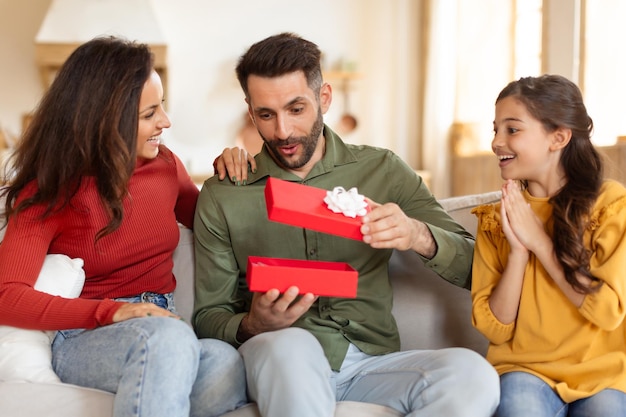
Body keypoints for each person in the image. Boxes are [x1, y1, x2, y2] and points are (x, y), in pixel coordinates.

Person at [194, 32, 500, 417]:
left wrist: (418, 235)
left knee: (472, 373)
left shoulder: (382, 170)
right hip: (279, 355)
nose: (283, 132)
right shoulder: (225, 193)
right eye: (266, 115)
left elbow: (480, 269)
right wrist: (254, 324)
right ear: (250, 111)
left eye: (296, 108)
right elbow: (208, 317)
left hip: (373, 361)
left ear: (324, 98)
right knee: (291, 345)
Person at [0, 36, 249, 417]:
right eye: (150, 113)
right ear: (105, 119)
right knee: (168, 343)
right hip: (89, 338)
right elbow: (7, 296)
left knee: (225, 362)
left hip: (169, 327)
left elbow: (218, 227)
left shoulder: (165, 166)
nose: (165, 121)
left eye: (161, 106)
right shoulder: (50, 191)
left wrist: (229, 177)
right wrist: (110, 312)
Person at [471, 74, 626, 416]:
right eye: (495, 129)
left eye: (512, 129)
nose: (497, 142)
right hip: (523, 369)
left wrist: (541, 243)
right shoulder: (497, 219)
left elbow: (607, 311)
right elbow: (495, 328)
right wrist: (519, 251)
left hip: (604, 374)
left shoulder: (611, 205)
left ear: (558, 137)